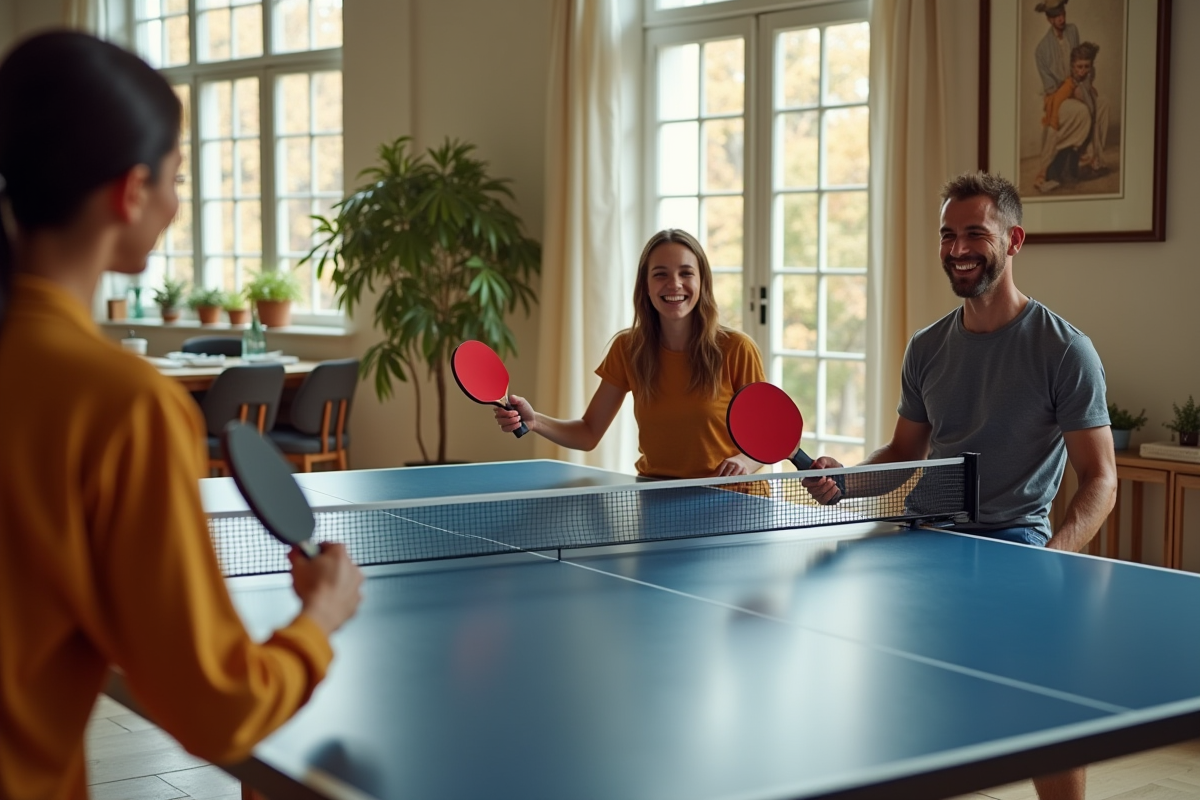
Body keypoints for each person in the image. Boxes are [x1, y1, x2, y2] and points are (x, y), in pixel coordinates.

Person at [0, 31, 364, 800]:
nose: (175, 200)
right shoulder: (120, 403)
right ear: (130, 193)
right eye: (176, 178)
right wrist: (318, 622)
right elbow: (218, 710)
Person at [803, 171, 1116, 800]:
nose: (957, 248)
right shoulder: (926, 348)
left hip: (1014, 541)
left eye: (975, 232)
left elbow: (1100, 476)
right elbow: (903, 453)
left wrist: (1057, 556)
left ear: (1014, 240)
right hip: (924, 540)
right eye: (948, 234)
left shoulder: (1063, 350)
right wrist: (849, 482)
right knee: (900, 709)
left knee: (1045, 711)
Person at [493, 229, 765, 479]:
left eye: (686, 273)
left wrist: (743, 461)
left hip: (730, 498)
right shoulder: (628, 349)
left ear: (702, 282)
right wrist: (534, 420)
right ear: (645, 285)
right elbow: (588, 433)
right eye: (660, 274)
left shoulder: (736, 348)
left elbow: (767, 437)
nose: (674, 284)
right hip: (657, 498)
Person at [1032, 1, 1109, 192]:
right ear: (1049, 19)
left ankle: (1095, 160)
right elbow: (1051, 88)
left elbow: (1082, 60)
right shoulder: (1042, 50)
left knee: (1103, 104)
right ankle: (1066, 159)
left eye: (1063, 14)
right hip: (1060, 98)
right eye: (1057, 16)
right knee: (1082, 111)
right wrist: (1071, 89)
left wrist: (1086, 85)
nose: (1062, 19)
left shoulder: (1072, 31)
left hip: (1080, 86)